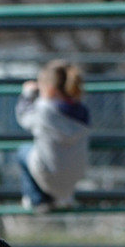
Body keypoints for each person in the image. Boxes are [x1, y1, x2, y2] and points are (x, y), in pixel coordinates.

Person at [15, 59, 90, 213]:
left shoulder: (44, 110)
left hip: (48, 173)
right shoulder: (83, 111)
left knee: (23, 150)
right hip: (74, 177)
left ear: (50, 90)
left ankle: (37, 199)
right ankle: (62, 198)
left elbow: (23, 116)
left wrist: (28, 94)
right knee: (53, 156)